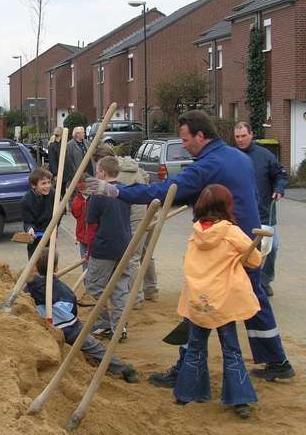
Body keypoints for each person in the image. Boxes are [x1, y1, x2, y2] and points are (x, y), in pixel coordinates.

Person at [89, 110, 294, 383]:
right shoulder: (238, 156)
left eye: (185, 139)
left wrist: (116, 191)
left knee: (198, 300)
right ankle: (277, 360)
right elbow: (249, 194)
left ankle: (185, 369)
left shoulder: (207, 165)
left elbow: (164, 191)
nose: (183, 144)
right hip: (247, 241)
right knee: (253, 299)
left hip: (223, 247)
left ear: (200, 135)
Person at [174, 184, 260, 420]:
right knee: (231, 348)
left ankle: (187, 393)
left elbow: (187, 264)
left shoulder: (195, 235)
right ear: (226, 206)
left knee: (195, 347)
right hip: (223, 302)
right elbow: (255, 260)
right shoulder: (231, 233)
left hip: (198, 301)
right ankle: (239, 399)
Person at [25, 248, 138, 383]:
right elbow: (73, 310)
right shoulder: (65, 291)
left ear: (34, 268)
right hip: (72, 329)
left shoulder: (30, 288)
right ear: (55, 268)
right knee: (95, 348)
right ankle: (122, 369)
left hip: (50, 331)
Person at [92, 145, 156, 307]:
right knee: (146, 253)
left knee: (132, 257)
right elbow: (147, 178)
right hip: (148, 213)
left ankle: (135, 299)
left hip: (132, 217)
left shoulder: (113, 176)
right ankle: (151, 289)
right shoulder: (131, 165)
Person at [234, 121, 288, 297]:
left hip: (264, 214)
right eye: (237, 137)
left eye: (243, 136)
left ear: (251, 135)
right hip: (238, 216)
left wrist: (279, 188)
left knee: (273, 247)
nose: (240, 140)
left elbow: (280, 175)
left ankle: (264, 280)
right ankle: (238, 283)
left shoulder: (265, 156)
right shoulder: (231, 157)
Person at [85, 156, 132, 340]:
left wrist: (89, 251)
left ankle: (103, 324)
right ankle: (120, 327)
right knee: (120, 289)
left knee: (95, 288)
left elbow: (92, 226)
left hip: (103, 249)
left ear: (103, 173)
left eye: (97, 171)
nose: (96, 175)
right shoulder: (124, 191)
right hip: (123, 247)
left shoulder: (99, 194)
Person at [20, 168, 55, 260]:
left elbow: (59, 214)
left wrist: (54, 229)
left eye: (49, 182)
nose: (47, 186)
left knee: (50, 264)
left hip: (50, 236)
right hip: (35, 239)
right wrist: (30, 229)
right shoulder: (26, 201)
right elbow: (27, 221)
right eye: (43, 183)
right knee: (34, 266)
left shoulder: (53, 194)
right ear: (33, 185)